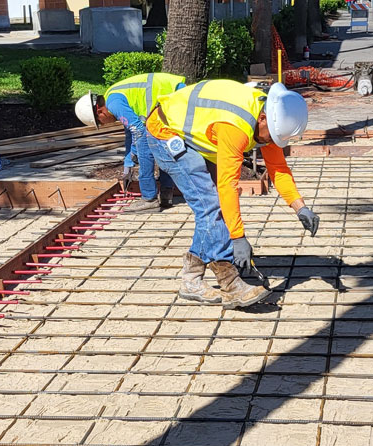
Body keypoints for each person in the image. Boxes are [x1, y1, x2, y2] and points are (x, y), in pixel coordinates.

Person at [145, 80, 319, 309]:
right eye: (271, 136)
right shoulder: (236, 127)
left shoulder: (268, 119)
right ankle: (231, 285)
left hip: (188, 133)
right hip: (164, 132)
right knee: (210, 205)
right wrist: (237, 238)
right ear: (263, 119)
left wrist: (300, 207)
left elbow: (278, 168)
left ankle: (191, 280)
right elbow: (227, 185)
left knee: (212, 209)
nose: (270, 142)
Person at [75, 72, 186, 211]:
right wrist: (128, 163)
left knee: (143, 146)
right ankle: (166, 193)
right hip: (174, 94)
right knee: (162, 143)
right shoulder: (112, 97)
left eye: (100, 123)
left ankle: (149, 198)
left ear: (99, 112)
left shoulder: (114, 104)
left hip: (176, 95)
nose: (104, 125)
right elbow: (129, 132)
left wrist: (135, 152)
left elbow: (138, 130)